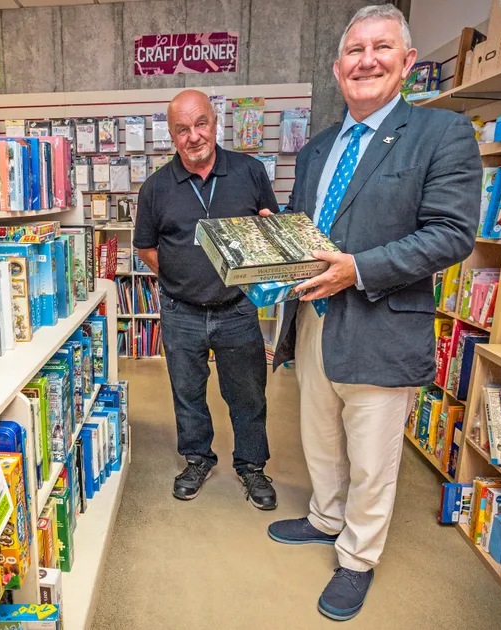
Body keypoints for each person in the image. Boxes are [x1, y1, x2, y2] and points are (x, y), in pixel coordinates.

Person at [266, 4, 481, 621]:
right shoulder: (317, 149)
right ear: (338, 70)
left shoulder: (442, 135)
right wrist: (274, 239)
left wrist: (357, 269)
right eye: (355, 52)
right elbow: (311, 230)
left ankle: (357, 558)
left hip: (381, 322)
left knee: (373, 456)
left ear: (408, 62)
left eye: (381, 48)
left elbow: (451, 235)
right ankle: (324, 518)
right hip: (313, 320)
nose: (367, 61)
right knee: (321, 438)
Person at [134, 88, 279, 510]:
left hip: (237, 309)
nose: (194, 136)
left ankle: (251, 465)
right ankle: (197, 459)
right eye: (182, 129)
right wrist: (181, 274)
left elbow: (268, 229)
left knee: (248, 393)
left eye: (201, 124)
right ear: (172, 136)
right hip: (182, 312)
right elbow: (146, 248)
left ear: (215, 123)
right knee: (187, 392)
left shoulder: (250, 172)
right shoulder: (156, 187)